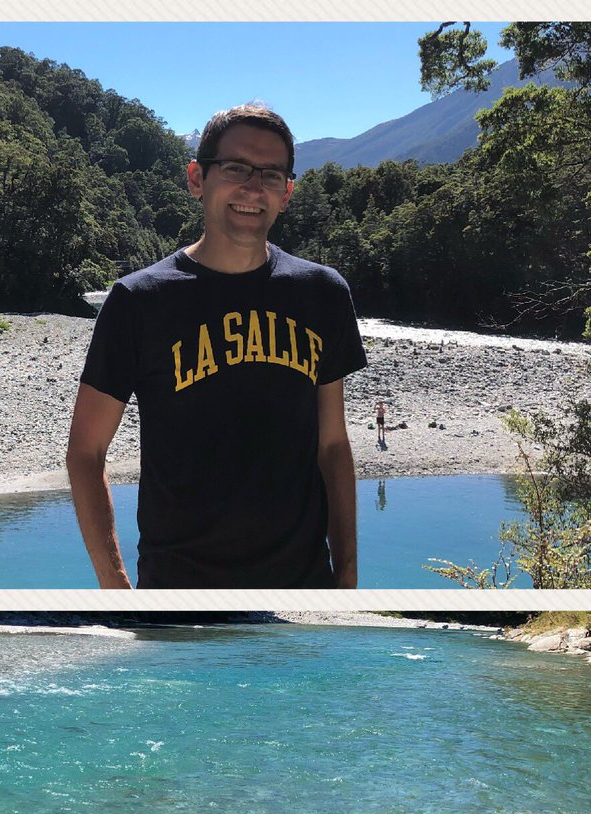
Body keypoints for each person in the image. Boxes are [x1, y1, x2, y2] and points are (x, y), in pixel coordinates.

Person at [68, 103, 367, 589]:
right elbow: (85, 449)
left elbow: (332, 445)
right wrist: (114, 582)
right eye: (235, 168)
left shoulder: (322, 294)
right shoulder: (139, 301)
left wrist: (347, 573)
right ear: (196, 178)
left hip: (301, 597)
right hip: (177, 600)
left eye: (271, 174)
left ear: (287, 193)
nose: (253, 188)